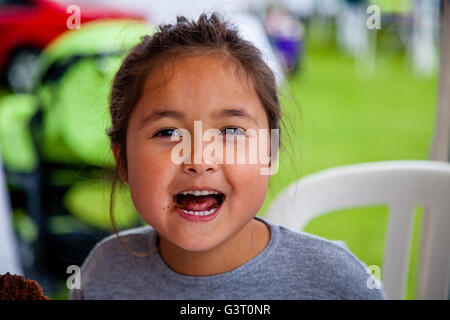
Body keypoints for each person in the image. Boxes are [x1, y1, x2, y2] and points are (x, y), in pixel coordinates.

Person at [69, 13, 387, 300]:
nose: (199, 158)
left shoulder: (335, 282)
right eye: (167, 133)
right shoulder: (102, 276)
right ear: (123, 161)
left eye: (230, 131)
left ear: (269, 152)